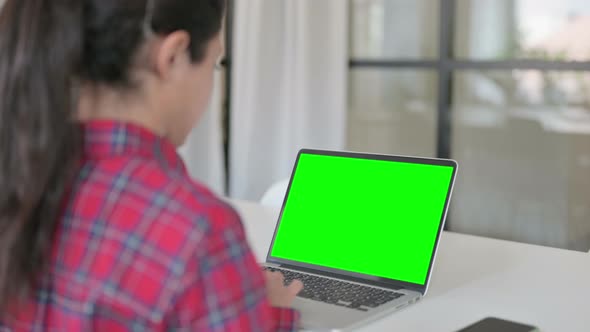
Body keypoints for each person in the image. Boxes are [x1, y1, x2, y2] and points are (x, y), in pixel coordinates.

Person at [0, 0, 303, 330]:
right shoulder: (200, 234)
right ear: (172, 57)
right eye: (214, 64)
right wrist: (261, 309)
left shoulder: (19, 178)